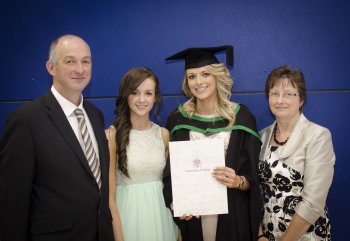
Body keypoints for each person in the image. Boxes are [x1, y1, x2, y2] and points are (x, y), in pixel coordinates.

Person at [0, 35, 114, 241]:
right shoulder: (26, 120)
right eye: (70, 61)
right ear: (51, 67)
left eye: (86, 61)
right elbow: (12, 202)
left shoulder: (95, 115)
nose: (80, 69)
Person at [163, 46, 263, 241]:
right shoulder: (178, 119)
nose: (198, 82)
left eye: (205, 74)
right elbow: (170, 174)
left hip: (233, 213)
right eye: (192, 76)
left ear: (218, 77)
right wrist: (177, 203)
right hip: (194, 216)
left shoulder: (241, 117)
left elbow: (254, 178)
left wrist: (238, 182)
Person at [257, 65, 335, 241]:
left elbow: (313, 202)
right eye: (274, 93)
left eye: (289, 94)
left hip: (306, 234)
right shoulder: (261, 137)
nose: (280, 100)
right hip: (268, 235)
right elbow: (254, 191)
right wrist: (260, 234)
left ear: (301, 100)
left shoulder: (318, 136)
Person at [105, 67, 179, 241]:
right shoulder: (112, 136)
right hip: (127, 219)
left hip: (162, 218)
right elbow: (109, 197)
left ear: (155, 97)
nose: (142, 100)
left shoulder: (163, 135)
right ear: (125, 95)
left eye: (148, 93)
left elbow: (173, 187)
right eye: (135, 92)